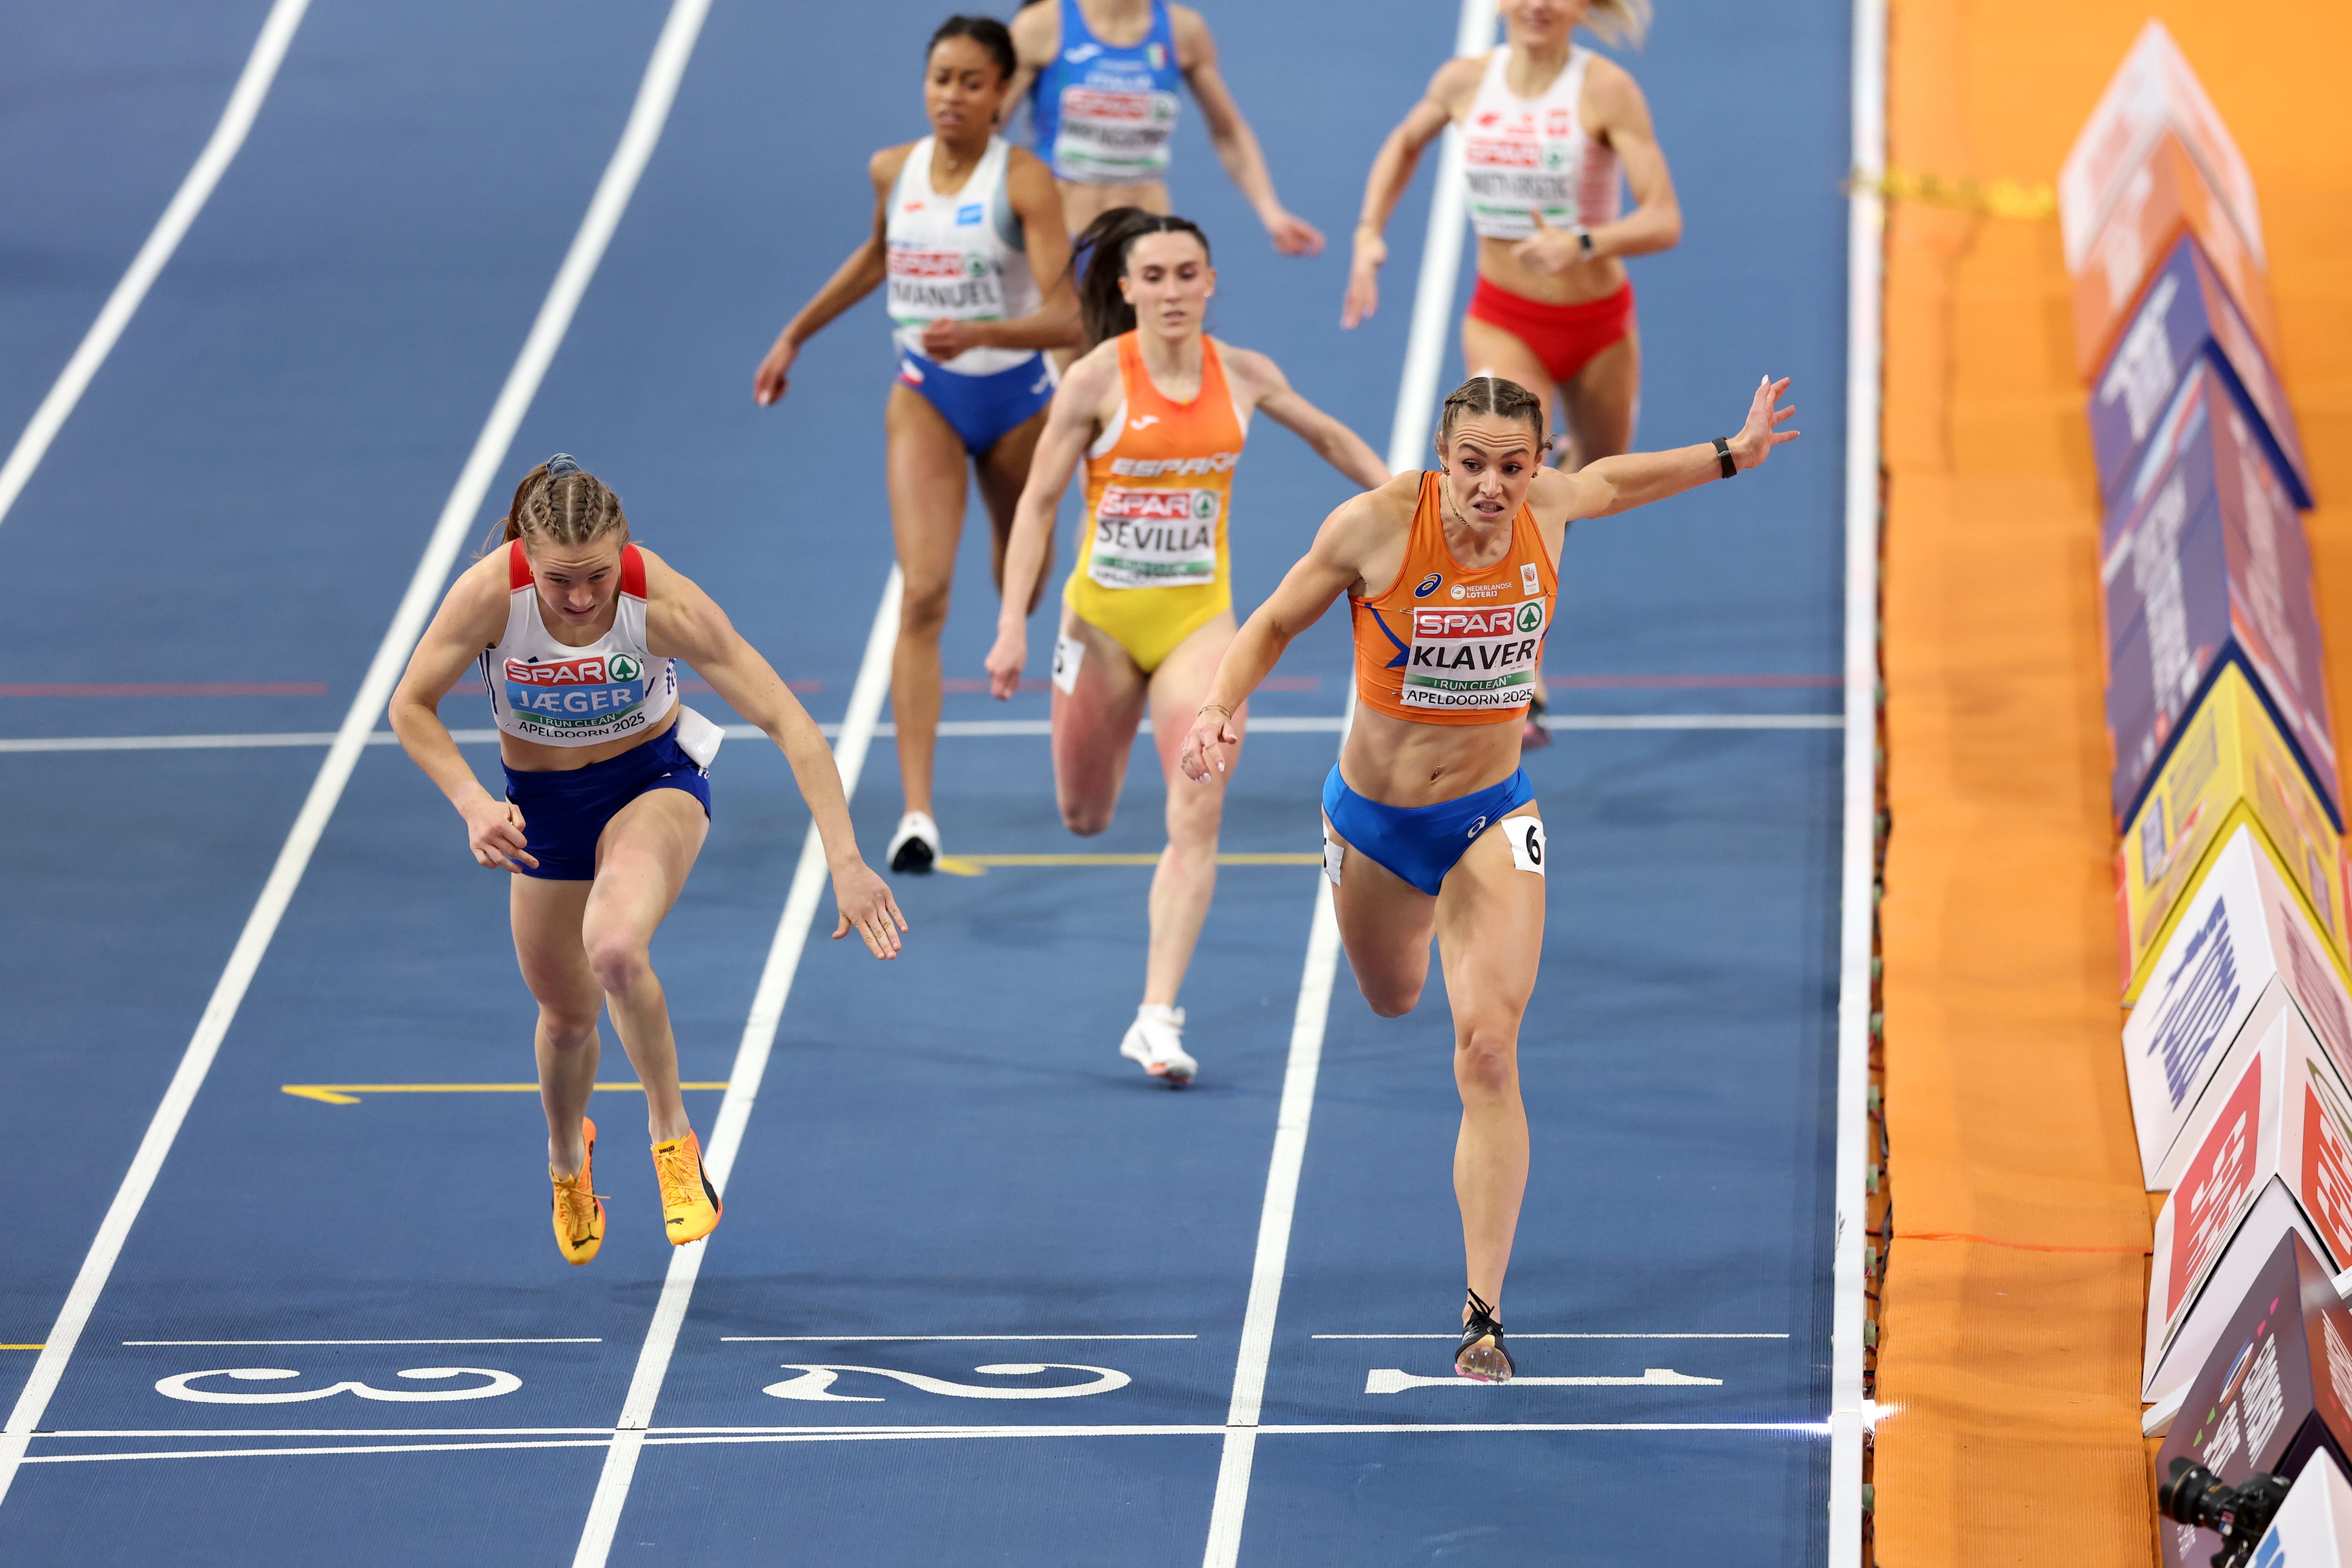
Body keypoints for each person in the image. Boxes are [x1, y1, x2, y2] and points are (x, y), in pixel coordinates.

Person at [1178, 373, 1796, 1377]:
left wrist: (1734, 450)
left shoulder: (1548, 509)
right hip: (1374, 823)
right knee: (1392, 997)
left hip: (1490, 814)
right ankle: (1424, 930)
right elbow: (1272, 623)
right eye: (1472, 465)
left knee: (1487, 1050)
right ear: (1441, 458)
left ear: (1534, 463)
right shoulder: (1376, 525)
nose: (1493, 487)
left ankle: (1483, 1314)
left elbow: (1618, 481)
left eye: (1514, 466)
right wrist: (1220, 704)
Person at [389, 456, 906, 1267]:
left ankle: (673, 1141)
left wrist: (845, 858)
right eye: (561, 581)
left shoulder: (661, 601)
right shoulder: (491, 594)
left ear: (623, 548)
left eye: (597, 575)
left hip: (652, 786)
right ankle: (567, 1156)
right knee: (565, 1020)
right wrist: (472, 801)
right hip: (543, 814)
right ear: (527, 554)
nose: (584, 598)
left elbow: (791, 723)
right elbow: (409, 704)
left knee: (617, 946)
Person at [985, 209, 1387, 1084]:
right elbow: (1039, 504)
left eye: (1187, 273)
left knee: (1197, 807)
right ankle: (1102, 792)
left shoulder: (1243, 374)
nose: (1172, 291)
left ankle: (1156, 1016)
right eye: (1155, 276)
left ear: (1211, 283)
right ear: (1126, 289)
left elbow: (1325, 434)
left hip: (1200, 629)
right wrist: (1015, 620)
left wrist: (1407, 497)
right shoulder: (1095, 380)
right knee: (1083, 814)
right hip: (1098, 627)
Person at [754, 16, 1080, 875]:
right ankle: (918, 813)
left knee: (1024, 575)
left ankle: (1019, 592)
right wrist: (796, 335)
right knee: (924, 596)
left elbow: (1070, 313)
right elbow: (876, 257)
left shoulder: (1027, 183)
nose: (954, 95)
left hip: (1019, 404)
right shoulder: (892, 170)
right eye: (942, 78)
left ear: (1004, 94)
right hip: (926, 399)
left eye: (974, 82)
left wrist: (985, 328)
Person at [1343, 0, 1682, 745]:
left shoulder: (1605, 90)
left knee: (1595, 477)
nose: (1536, 5)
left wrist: (1585, 240)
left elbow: (1664, 219)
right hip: (1504, 317)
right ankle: (1521, 671)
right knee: (1508, 478)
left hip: (1596, 326)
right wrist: (1369, 233)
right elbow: (1402, 145)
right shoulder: (1466, 82)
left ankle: (1555, 458)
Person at [1009, 0, 1322, 257]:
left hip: (1146, 244)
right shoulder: (1040, 26)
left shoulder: (1183, 30)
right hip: (1059, 237)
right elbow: (983, 128)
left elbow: (1229, 132)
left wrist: (1271, 212)